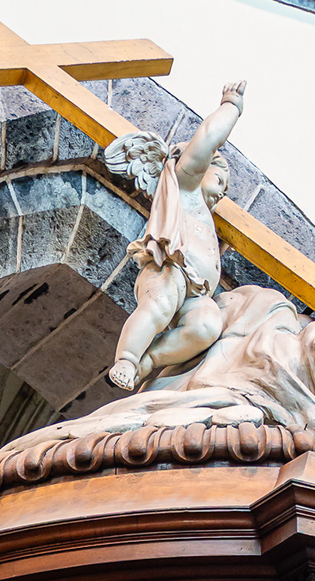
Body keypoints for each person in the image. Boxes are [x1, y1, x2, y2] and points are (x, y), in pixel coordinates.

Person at [106, 82, 245, 395]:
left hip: (196, 294)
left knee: (208, 326)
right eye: (220, 178)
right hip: (169, 271)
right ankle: (127, 359)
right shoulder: (185, 189)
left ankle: (150, 360)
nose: (223, 191)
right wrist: (231, 106)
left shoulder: (205, 215)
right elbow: (207, 139)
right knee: (158, 307)